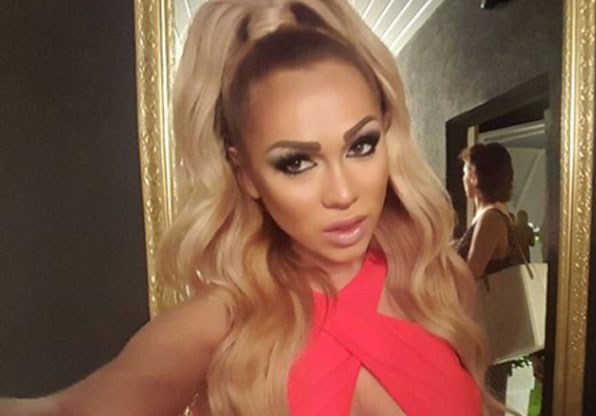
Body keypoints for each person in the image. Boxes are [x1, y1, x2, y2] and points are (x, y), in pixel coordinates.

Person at [0, 1, 504, 415]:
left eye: (361, 146)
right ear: (245, 174)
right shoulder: (218, 323)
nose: (342, 193)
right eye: (296, 162)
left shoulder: (438, 282)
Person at [455, 142, 525, 413]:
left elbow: (469, 273)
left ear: (475, 177)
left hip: (485, 333)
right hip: (490, 332)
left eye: (465, 172)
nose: (463, 178)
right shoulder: (497, 215)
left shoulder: (489, 219)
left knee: (483, 403)